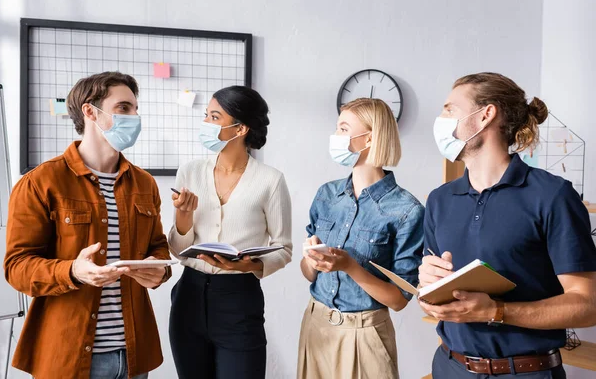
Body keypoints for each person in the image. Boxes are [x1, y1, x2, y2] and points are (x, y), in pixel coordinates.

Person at [420, 72, 596, 378]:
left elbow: (587, 305)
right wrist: (427, 286)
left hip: (526, 372)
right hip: (449, 367)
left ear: (486, 115)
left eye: (450, 109)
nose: (441, 119)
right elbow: (431, 300)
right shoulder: (439, 199)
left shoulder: (552, 195)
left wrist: (495, 311)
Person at [4, 71, 172, 379]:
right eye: (123, 107)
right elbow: (17, 267)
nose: (134, 116)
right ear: (90, 111)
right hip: (68, 356)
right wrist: (73, 271)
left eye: (135, 108)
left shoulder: (145, 184)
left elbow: (158, 247)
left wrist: (157, 269)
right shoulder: (41, 182)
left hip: (135, 355)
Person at [167, 85, 292, 379]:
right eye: (206, 116)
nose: (206, 124)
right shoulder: (190, 171)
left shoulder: (270, 180)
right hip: (188, 295)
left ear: (241, 128)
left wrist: (252, 265)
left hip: (239, 299)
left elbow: (283, 248)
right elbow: (176, 246)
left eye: (214, 117)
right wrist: (183, 215)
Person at [297, 98, 424, 379]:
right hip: (316, 325)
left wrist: (350, 266)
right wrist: (311, 260)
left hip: (365, 335)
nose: (336, 137)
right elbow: (308, 275)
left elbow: (399, 299)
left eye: (343, 129)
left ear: (369, 138)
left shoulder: (407, 210)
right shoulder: (326, 195)